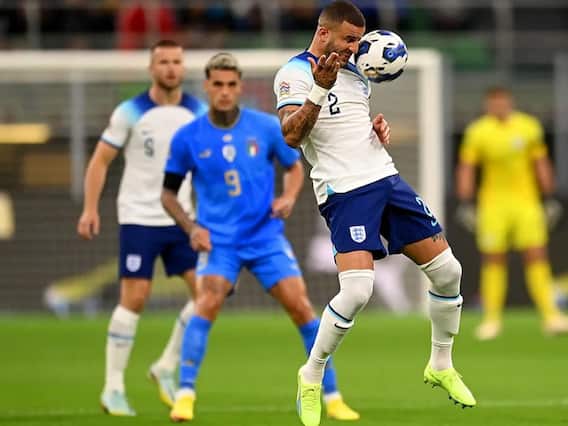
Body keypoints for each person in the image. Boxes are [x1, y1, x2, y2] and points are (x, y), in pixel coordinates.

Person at [273, 1, 476, 425]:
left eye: (359, 40)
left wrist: (374, 131)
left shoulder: (358, 73)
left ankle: (440, 364)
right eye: (349, 39)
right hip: (345, 193)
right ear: (323, 33)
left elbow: (345, 127)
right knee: (357, 292)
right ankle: (311, 375)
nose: (355, 47)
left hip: (385, 179)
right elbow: (291, 135)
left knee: (448, 272)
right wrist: (319, 89)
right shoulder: (294, 74)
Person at [161, 52, 359, 423]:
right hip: (219, 241)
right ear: (207, 88)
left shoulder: (266, 127)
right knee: (206, 303)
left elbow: (294, 168)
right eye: (217, 84)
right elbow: (168, 194)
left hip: (265, 238)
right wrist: (192, 228)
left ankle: (332, 396)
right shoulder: (188, 137)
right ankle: (184, 394)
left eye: (231, 84)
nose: (224, 91)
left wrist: (288, 197)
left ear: (239, 88)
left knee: (301, 308)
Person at [76, 39, 207, 416]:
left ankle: (165, 366)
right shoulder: (130, 111)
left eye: (176, 61)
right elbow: (100, 161)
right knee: (135, 297)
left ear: (183, 67)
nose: (170, 68)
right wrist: (89, 208)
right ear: (151, 68)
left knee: (207, 296)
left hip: (181, 218)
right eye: (163, 62)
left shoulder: (197, 111)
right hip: (139, 217)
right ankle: (113, 387)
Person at [455, 86, 568, 340]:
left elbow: (540, 162)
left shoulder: (528, 127)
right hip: (493, 204)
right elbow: (467, 167)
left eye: (503, 102)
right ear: (488, 106)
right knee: (493, 258)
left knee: (536, 255)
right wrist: (465, 201)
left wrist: (549, 196)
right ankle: (491, 319)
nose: (499, 107)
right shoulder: (478, 131)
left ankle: (551, 316)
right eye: (494, 103)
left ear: (510, 103)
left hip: (526, 203)